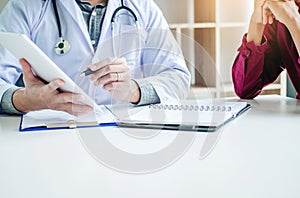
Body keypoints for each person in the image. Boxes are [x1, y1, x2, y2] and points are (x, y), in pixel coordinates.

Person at [0, 0, 191, 116]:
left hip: (121, 135)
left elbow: (178, 78)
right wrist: (25, 100)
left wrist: (133, 90)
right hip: (47, 134)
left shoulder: (143, 7)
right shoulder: (25, 7)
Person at [232, 0, 300, 99]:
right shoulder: (280, 17)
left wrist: (294, 21)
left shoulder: (289, 14)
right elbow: (245, 89)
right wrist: (257, 21)